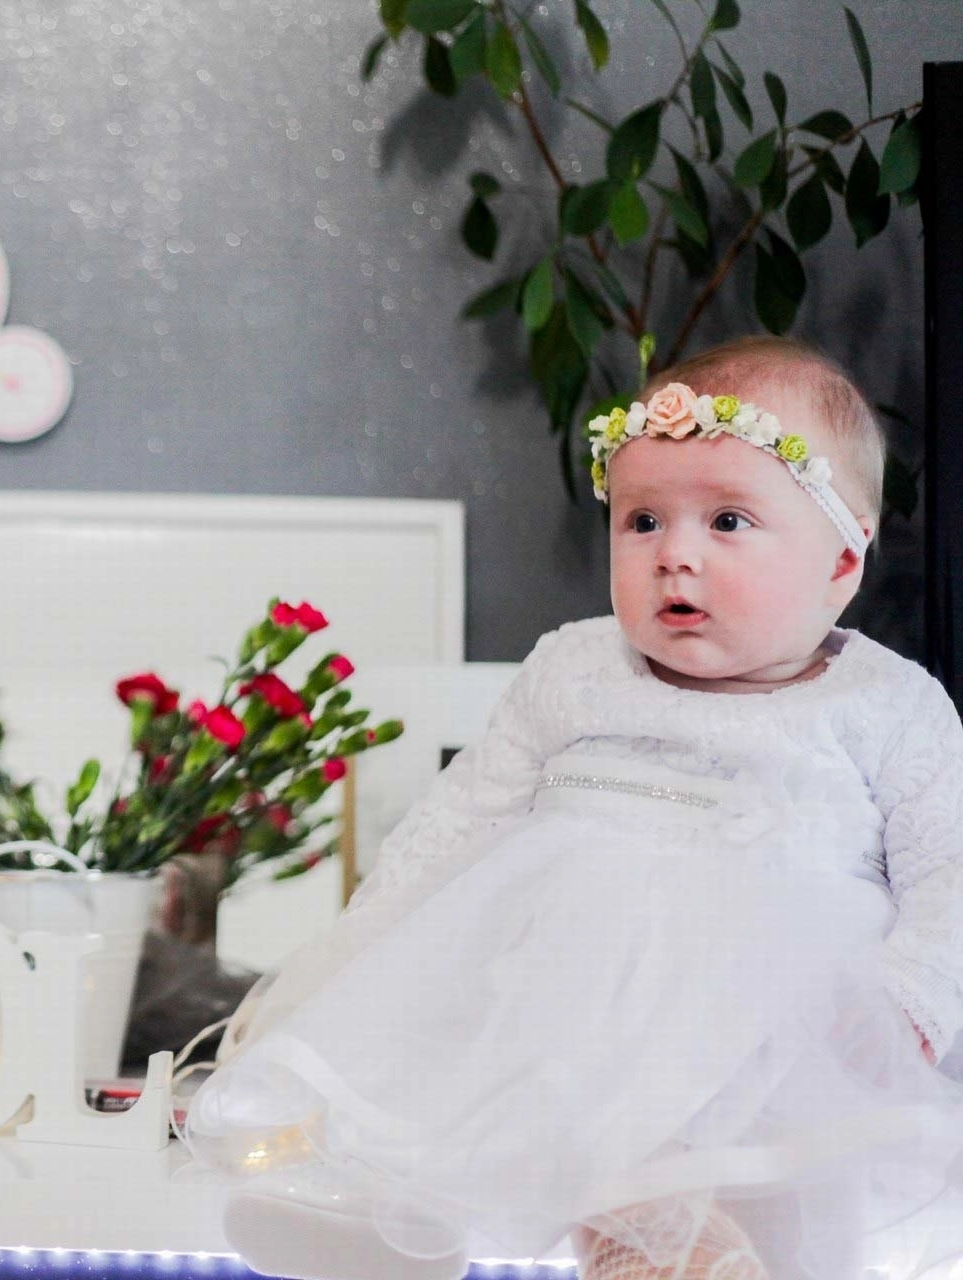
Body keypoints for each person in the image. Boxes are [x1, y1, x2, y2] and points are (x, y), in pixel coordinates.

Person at [185, 336, 963, 1280]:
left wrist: (912, 1003)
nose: (675, 556)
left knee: (785, 1209)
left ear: (842, 557)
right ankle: (382, 1216)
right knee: (514, 1108)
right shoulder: (578, 667)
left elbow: (950, 872)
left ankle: (699, 1259)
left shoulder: (888, 704)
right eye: (643, 521)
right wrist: (361, 950)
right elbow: (461, 821)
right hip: (567, 1003)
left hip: (785, 1033)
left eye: (727, 520)